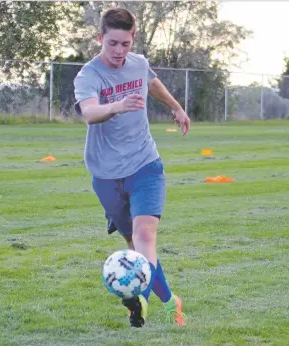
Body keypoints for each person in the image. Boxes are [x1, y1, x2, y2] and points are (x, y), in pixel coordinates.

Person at [73, 8, 190, 327]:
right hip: (106, 175)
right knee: (132, 245)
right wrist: (117, 106)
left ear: (132, 39)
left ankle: (138, 300)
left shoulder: (138, 63)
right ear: (100, 38)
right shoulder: (88, 75)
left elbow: (151, 82)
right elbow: (89, 113)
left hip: (145, 165)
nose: (119, 51)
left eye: (125, 44)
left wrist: (176, 107)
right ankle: (170, 301)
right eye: (112, 43)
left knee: (144, 235)